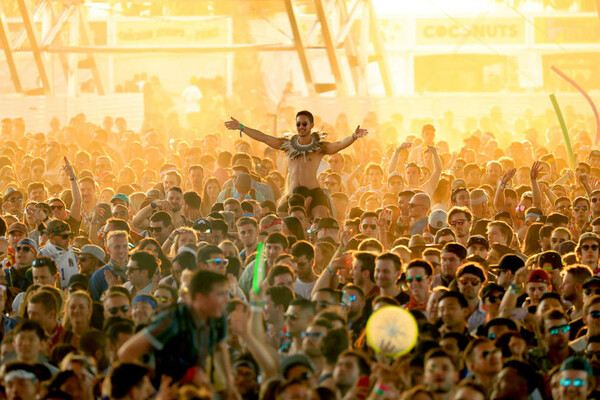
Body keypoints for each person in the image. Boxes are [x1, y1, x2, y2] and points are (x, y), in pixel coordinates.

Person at [225, 110, 368, 218]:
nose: (301, 127)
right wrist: (241, 127)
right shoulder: (287, 145)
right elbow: (263, 137)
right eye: (298, 124)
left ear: (311, 125)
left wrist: (353, 137)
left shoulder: (319, 147)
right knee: (281, 218)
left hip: (313, 192)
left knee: (321, 219)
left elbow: (339, 145)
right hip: (293, 193)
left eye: (304, 124)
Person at [118, 270, 237, 398]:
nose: (227, 300)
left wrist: (229, 385)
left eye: (226, 293)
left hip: (196, 391)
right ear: (199, 297)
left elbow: (220, 347)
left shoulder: (217, 318)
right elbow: (126, 353)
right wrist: (152, 393)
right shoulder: (172, 320)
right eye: (220, 294)